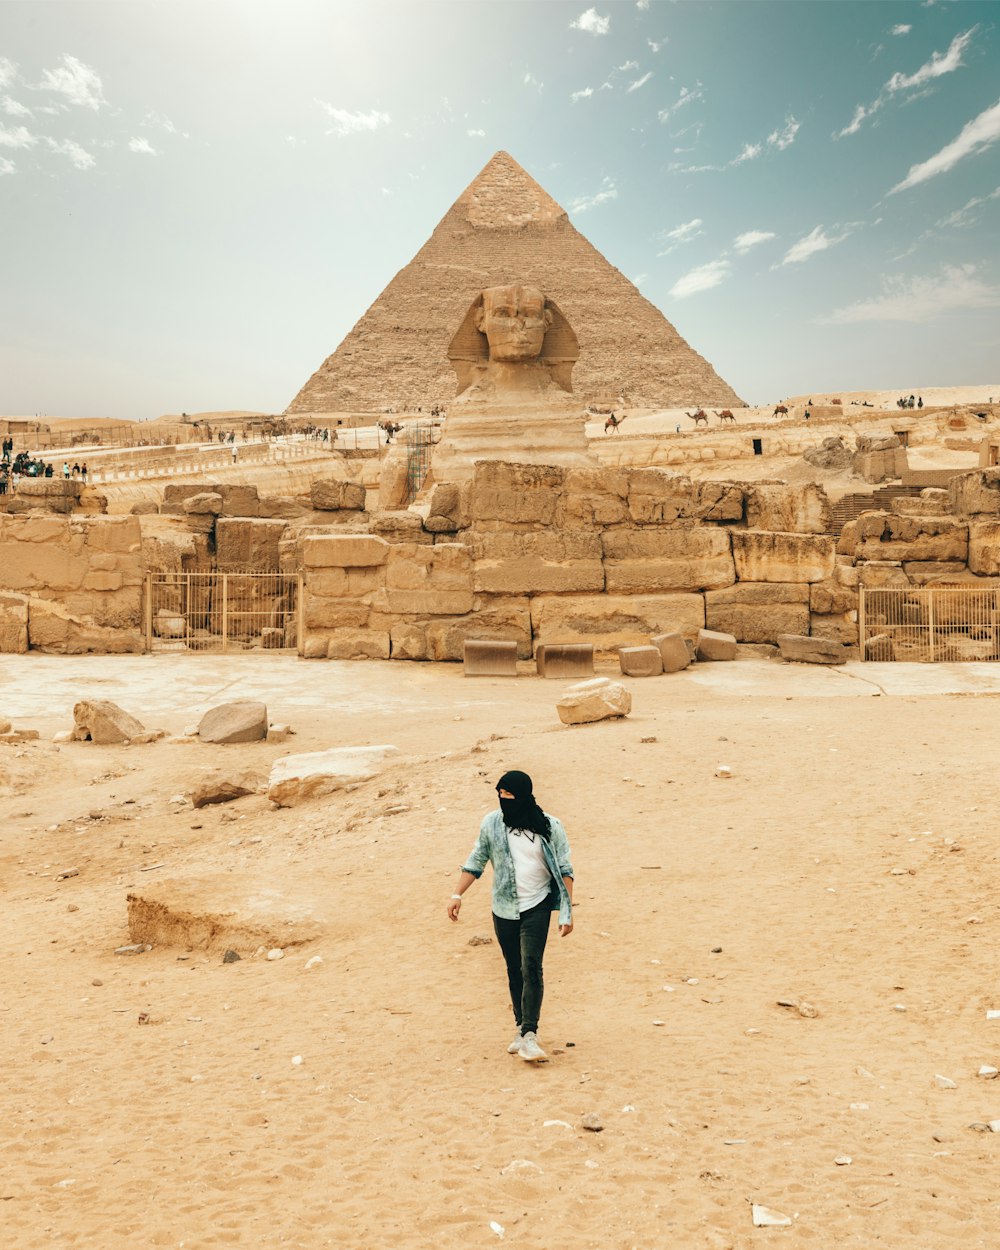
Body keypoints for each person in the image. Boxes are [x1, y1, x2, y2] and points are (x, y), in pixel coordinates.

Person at [447, 770, 574, 1062]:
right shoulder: (492, 823)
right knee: (514, 969)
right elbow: (477, 859)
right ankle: (520, 1027)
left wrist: (566, 912)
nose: (504, 800)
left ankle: (530, 1033)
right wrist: (457, 895)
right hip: (503, 907)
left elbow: (565, 869)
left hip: (538, 904)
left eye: (509, 795)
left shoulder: (549, 826)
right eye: (500, 795)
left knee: (532, 965)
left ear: (524, 795)